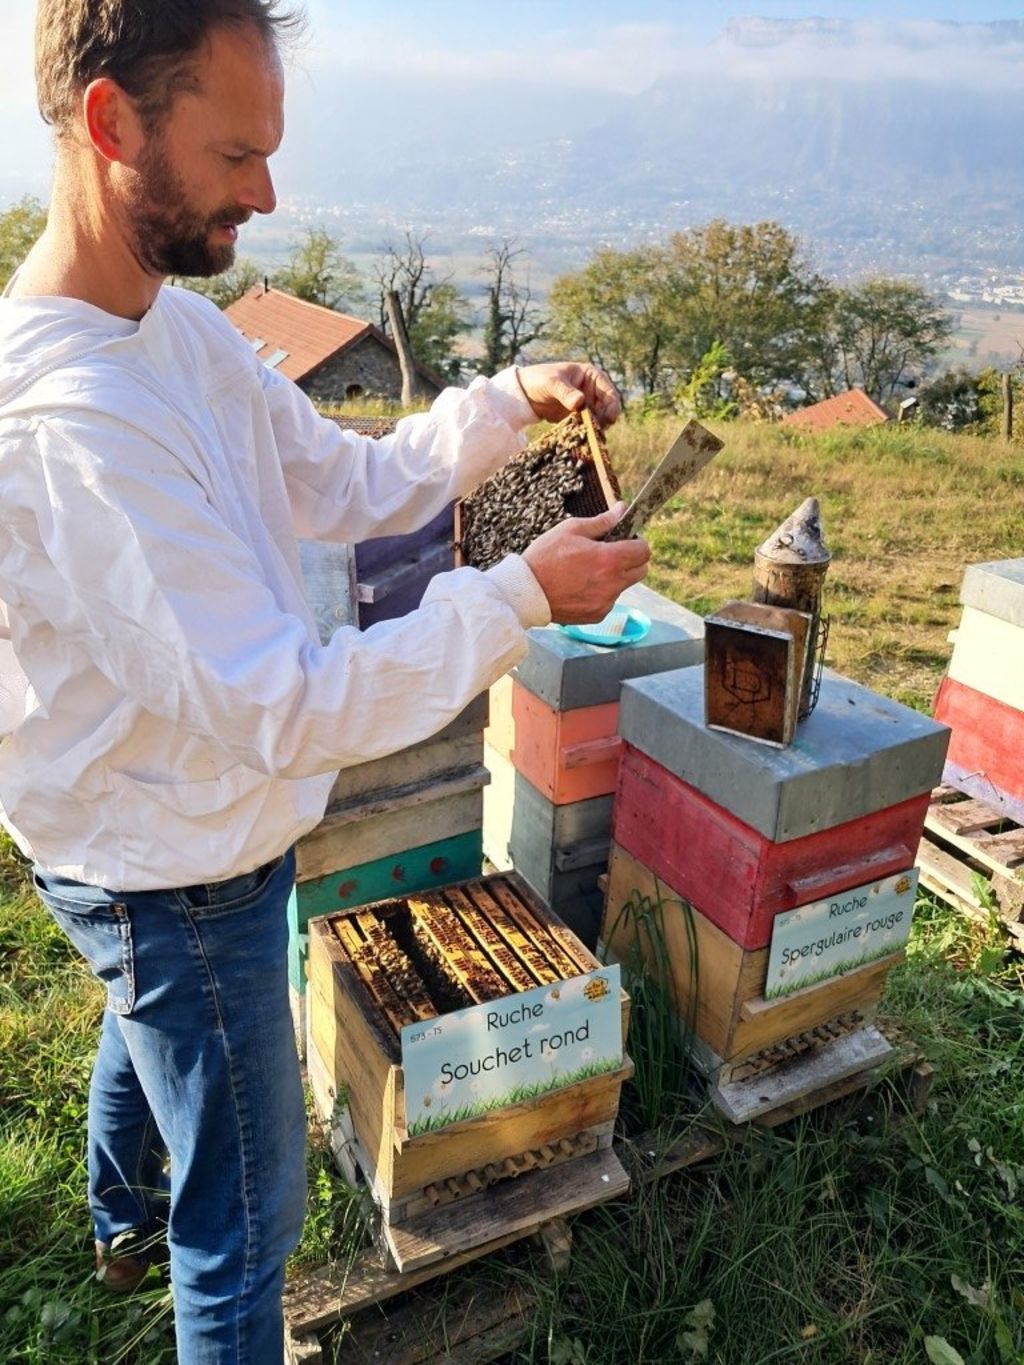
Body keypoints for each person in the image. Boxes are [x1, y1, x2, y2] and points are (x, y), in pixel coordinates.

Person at [0, 2, 650, 1361]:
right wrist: (525, 595)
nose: (269, 193)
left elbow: (341, 481)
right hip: (174, 859)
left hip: (157, 816)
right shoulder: (72, 431)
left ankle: (117, 1209)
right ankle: (167, 1250)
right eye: (236, 154)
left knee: (148, 1020)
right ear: (112, 123)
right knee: (245, 1223)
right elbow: (285, 702)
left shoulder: (165, 327)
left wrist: (503, 400)